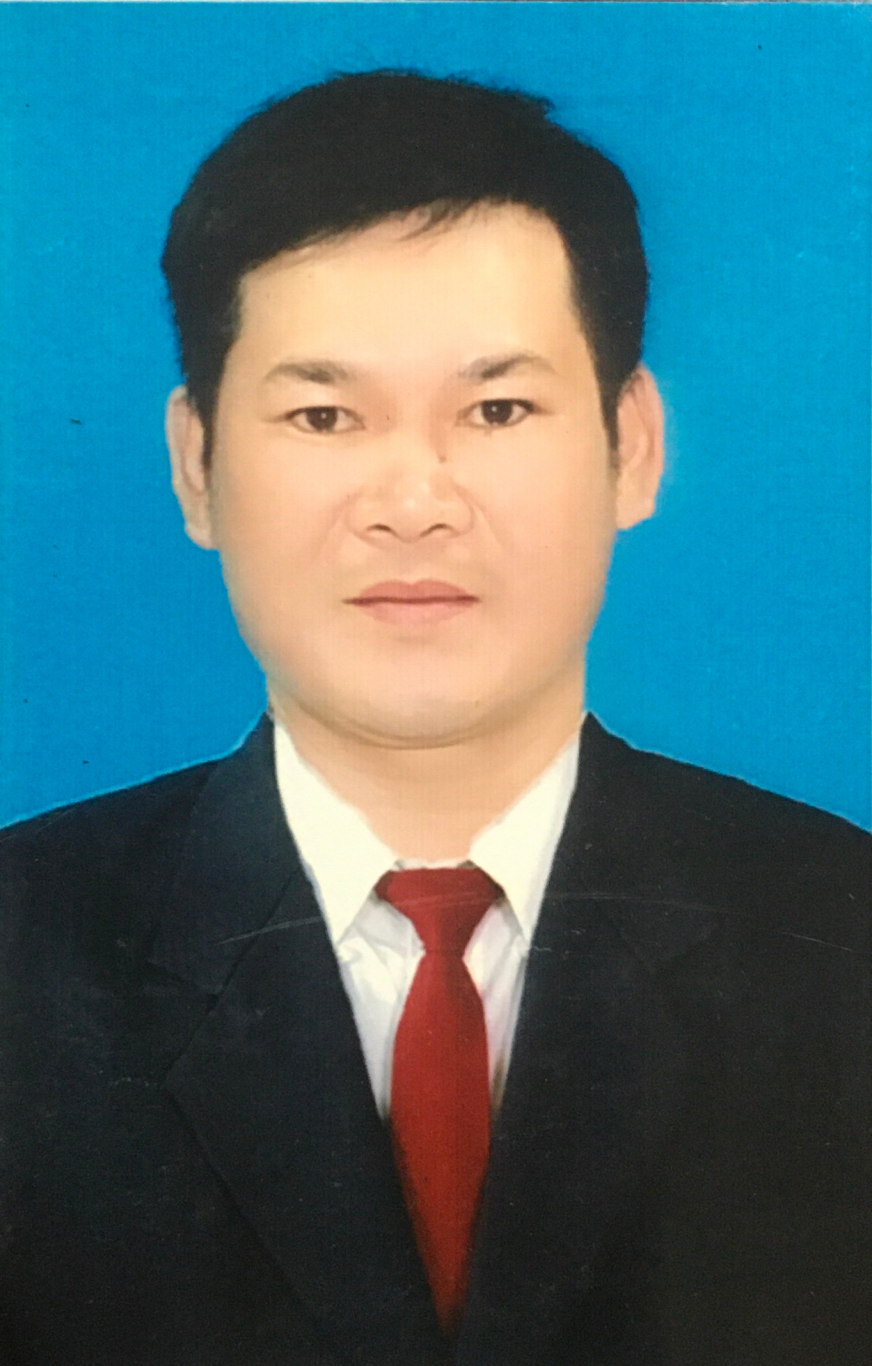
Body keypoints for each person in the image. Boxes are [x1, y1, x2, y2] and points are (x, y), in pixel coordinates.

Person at [0, 71, 868, 1366]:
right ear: (197, 465)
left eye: (498, 409)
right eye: (324, 414)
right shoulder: (22, 957)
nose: (413, 503)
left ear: (633, 446)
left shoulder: (844, 939)